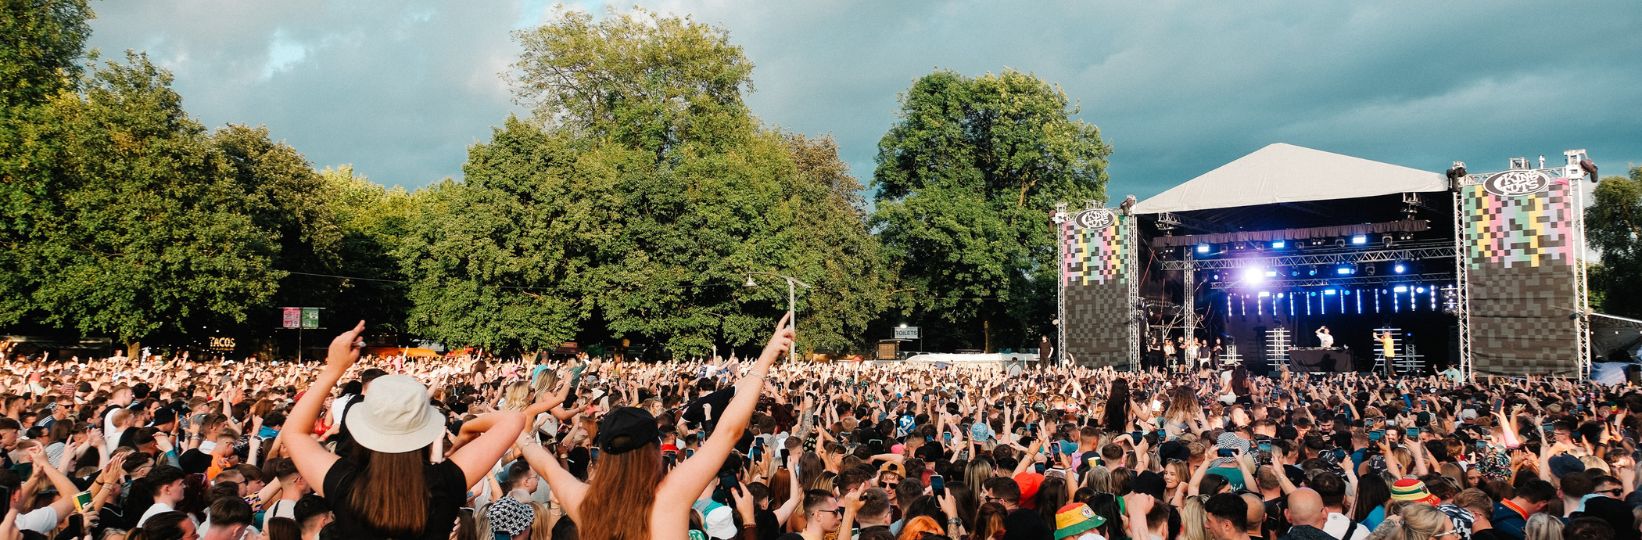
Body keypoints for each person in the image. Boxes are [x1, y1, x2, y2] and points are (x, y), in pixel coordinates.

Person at [516, 313, 795, 539]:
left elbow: (546, 466)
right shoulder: (670, 496)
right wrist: (765, 358)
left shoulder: (584, 502)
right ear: (654, 450)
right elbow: (729, 432)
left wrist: (522, 430)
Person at [282, 321, 527, 540]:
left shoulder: (344, 482)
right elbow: (513, 420)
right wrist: (466, 429)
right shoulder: (445, 480)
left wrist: (334, 368)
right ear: (426, 432)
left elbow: (294, 433)